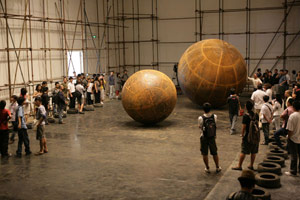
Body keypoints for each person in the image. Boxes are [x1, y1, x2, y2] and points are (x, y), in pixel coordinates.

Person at [232, 101, 259, 171]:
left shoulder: (246, 116)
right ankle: (251, 165)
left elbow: (244, 126)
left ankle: (239, 166)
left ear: (246, 107)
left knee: (243, 151)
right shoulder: (256, 115)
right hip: (255, 136)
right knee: (253, 151)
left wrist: (242, 134)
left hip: (248, 136)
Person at [198, 102, 221, 173]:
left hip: (204, 137)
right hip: (212, 137)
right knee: (214, 153)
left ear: (203, 109)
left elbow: (200, 126)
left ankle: (207, 168)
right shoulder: (214, 116)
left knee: (204, 153)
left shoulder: (200, 118)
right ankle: (217, 167)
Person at [285, 100, 300, 176]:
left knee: (294, 156)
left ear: (293, 107)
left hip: (293, 138)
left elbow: (290, 129)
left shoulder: (292, 116)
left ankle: (293, 171)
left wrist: (288, 137)